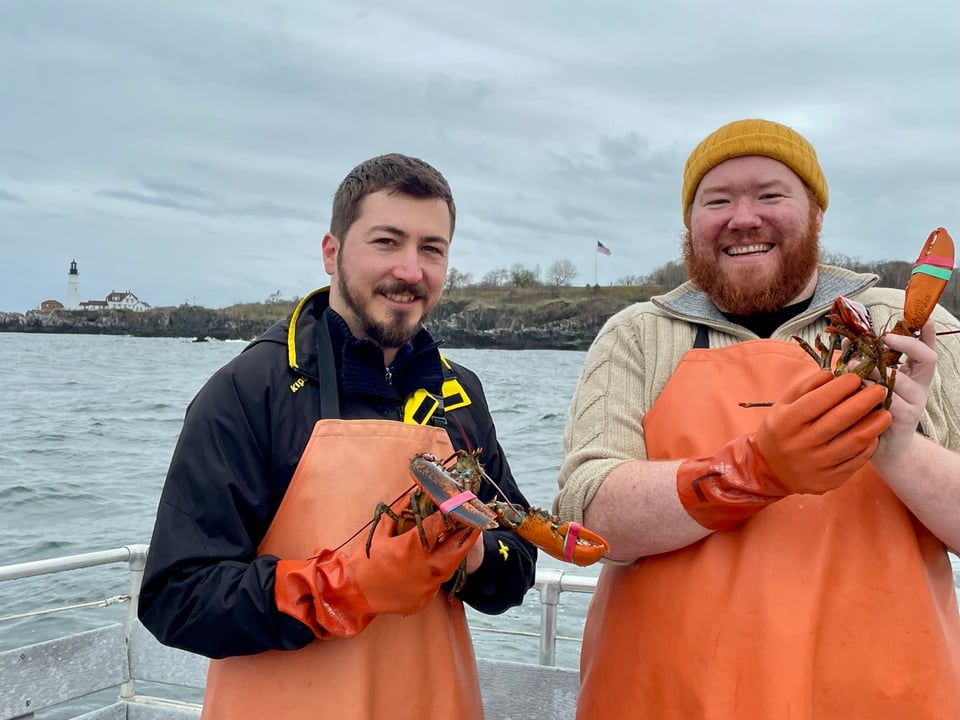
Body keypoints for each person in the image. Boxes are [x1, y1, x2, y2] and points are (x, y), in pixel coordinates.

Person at [554, 119, 960, 718]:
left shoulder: (915, 326)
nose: (743, 218)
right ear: (690, 227)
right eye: (716, 200)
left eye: (771, 195)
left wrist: (898, 447)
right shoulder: (636, 335)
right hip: (671, 700)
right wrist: (755, 470)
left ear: (817, 213)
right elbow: (586, 516)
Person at [139, 153, 537, 720]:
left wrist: (470, 557)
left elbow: (517, 561)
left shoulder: (461, 393)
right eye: (386, 241)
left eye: (432, 248)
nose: (410, 269)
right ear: (332, 252)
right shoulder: (249, 390)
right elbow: (177, 596)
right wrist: (344, 586)